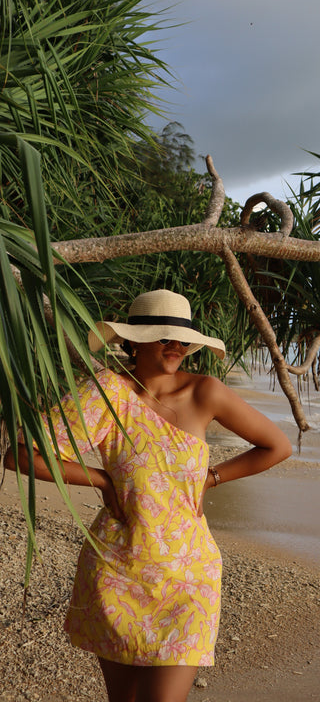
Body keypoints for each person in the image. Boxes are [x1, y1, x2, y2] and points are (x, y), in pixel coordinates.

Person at [5, 289, 293, 702]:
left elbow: (277, 446)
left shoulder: (204, 392)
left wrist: (211, 478)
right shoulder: (106, 393)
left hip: (188, 578)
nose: (176, 348)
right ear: (133, 340)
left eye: (182, 339)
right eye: (164, 338)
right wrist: (102, 479)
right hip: (119, 570)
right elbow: (20, 455)